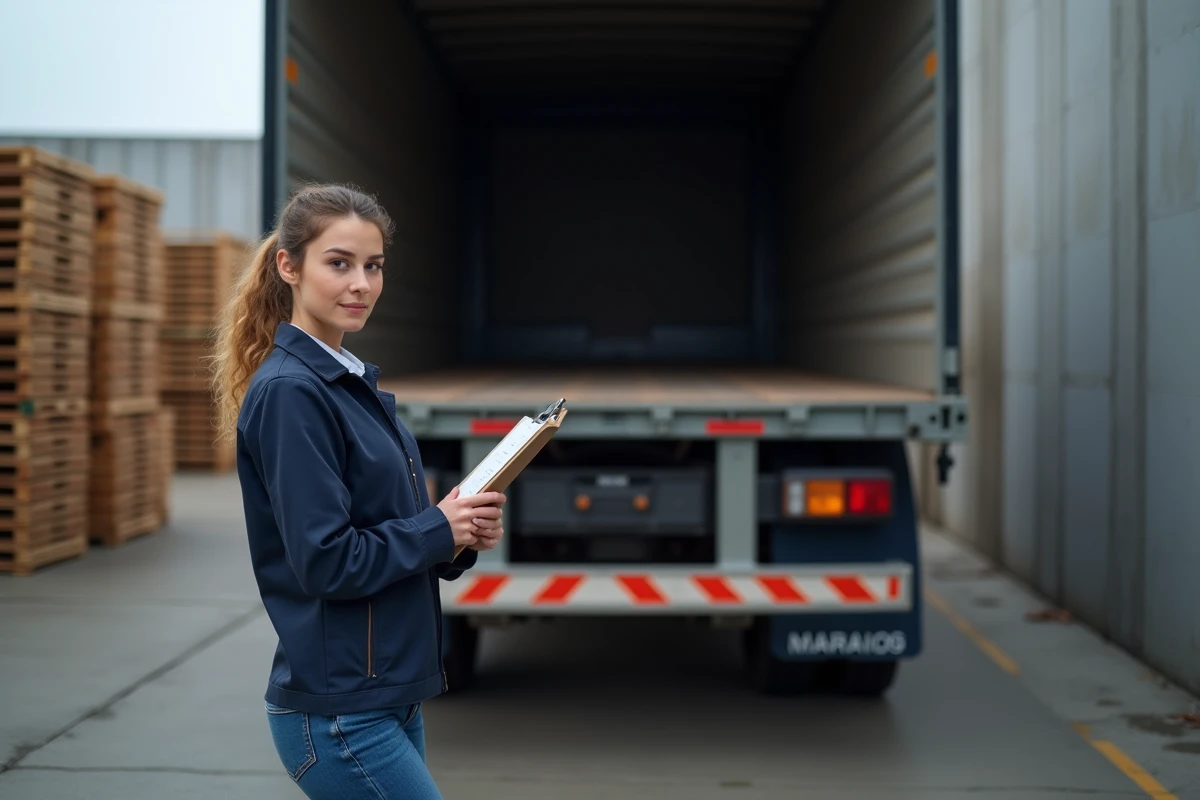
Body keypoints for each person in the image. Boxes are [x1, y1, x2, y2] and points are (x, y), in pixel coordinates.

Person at [210, 183, 506, 799]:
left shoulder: (348, 382)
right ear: (288, 266)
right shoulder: (295, 393)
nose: (361, 285)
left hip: (388, 695)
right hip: (340, 714)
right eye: (339, 263)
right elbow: (326, 560)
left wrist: (458, 532)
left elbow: (386, 530)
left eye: (373, 267)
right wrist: (436, 528)